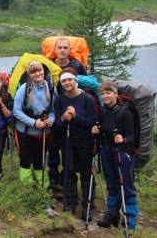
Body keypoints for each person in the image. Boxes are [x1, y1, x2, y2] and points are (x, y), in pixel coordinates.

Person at [92, 81, 138, 231]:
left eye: (108, 93)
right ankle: (112, 215)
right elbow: (103, 130)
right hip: (107, 150)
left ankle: (130, 221)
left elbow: (132, 137)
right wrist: (96, 131)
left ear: (115, 94)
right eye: (103, 94)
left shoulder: (126, 112)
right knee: (112, 184)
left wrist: (123, 139)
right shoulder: (104, 111)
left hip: (122, 152)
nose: (105, 96)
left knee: (127, 186)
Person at [53, 68, 96, 220]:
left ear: (75, 80)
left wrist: (76, 117)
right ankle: (71, 203)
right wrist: (64, 118)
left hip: (85, 142)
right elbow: (56, 125)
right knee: (69, 172)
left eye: (70, 79)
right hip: (67, 141)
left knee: (86, 174)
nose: (67, 83)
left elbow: (91, 122)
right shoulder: (59, 100)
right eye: (64, 80)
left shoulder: (87, 99)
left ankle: (88, 205)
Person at [48, 37, 87, 189]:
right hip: (54, 111)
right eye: (60, 48)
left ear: (70, 50)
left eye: (66, 48)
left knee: (68, 148)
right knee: (53, 147)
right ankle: (53, 177)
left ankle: (67, 178)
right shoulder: (49, 65)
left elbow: (85, 88)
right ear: (55, 49)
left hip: (74, 113)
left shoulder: (78, 66)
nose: (63, 50)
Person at [13, 62, 55, 185]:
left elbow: (54, 110)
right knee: (25, 161)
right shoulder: (23, 89)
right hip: (25, 132)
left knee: (40, 162)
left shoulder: (51, 88)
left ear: (44, 71)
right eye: (33, 72)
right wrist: (33, 122)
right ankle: (28, 191)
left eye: (39, 70)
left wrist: (51, 120)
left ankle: (43, 188)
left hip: (43, 133)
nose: (37, 74)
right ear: (29, 75)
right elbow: (16, 111)